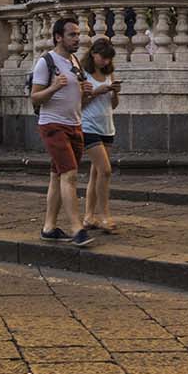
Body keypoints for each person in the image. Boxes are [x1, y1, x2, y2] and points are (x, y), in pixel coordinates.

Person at [29, 17, 93, 246]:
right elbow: (34, 97)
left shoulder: (75, 61)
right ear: (58, 37)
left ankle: (49, 227)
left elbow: (78, 102)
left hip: (75, 124)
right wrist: (54, 86)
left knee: (57, 176)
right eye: (72, 35)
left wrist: (87, 93)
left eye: (78, 34)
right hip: (53, 125)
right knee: (70, 174)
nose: (78, 39)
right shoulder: (46, 62)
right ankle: (77, 228)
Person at [81, 37, 120, 233]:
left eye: (108, 59)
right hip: (88, 126)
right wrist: (96, 92)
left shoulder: (109, 73)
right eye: (103, 58)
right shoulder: (83, 75)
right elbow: (78, 104)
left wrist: (115, 92)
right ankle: (104, 215)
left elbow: (113, 105)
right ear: (93, 54)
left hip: (107, 126)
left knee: (96, 173)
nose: (105, 62)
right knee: (105, 170)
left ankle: (88, 216)